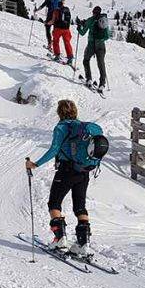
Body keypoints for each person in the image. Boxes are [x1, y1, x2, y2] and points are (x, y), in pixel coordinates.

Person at [25, 99, 92, 257]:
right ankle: (83, 244)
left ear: (59, 112)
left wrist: (36, 164)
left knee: (54, 203)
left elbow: (54, 149)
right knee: (80, 206)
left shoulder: (61, 127)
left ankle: (60, 239)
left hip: (67, 170)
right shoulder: (82, 128)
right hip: (83, 170)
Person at [77, 6, 110, 91]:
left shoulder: (90, 20)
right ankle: (102, 84)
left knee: (86, 60)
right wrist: (100, 39)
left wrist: (79, 28)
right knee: (101, 64)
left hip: (91, 45)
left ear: (93, 12)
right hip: (101, 45)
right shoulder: (104, 20)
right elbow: (107, 36)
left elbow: (82, 33)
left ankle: (89, 79)